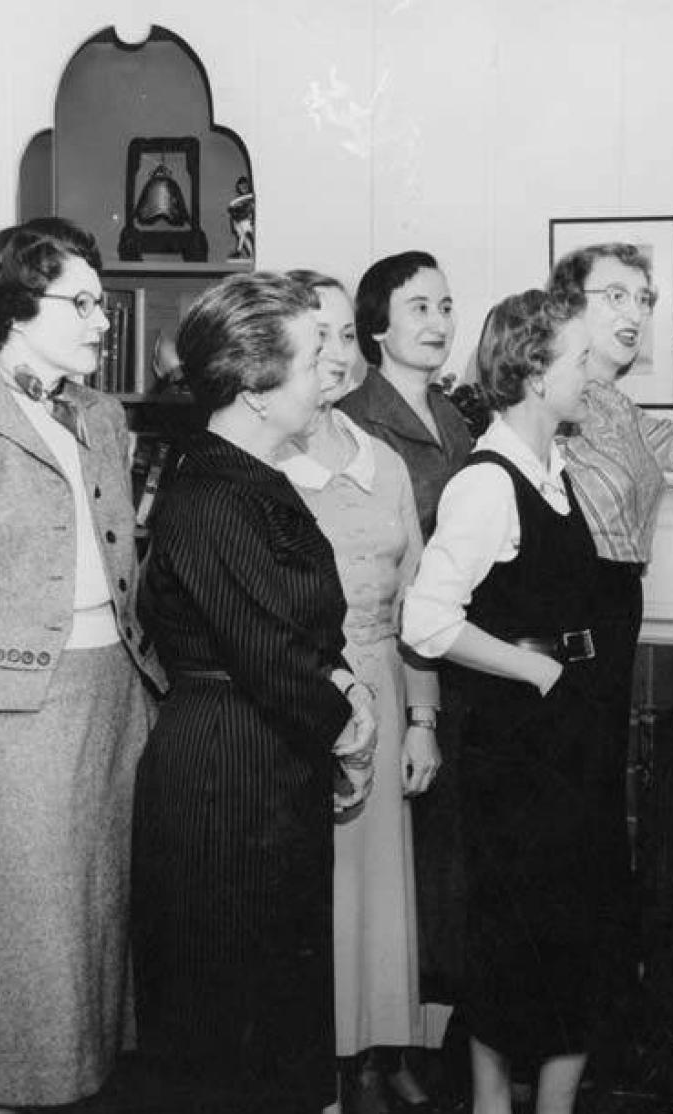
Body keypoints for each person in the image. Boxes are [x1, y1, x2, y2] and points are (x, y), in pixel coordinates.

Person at [132, 271, 375, 1114]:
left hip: (274, 762)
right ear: (258, 390)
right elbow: (268, 649)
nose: (330, 372)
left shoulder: (259, 478)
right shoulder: (210, 492)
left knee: (276, 1010)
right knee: (228, 1023)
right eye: (314, 358)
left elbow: (306, 626)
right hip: (223, 778)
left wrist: (344, 690)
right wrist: (351, 727)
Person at [0, 217, 165, 1112]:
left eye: (101, 303)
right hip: (17, 724)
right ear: (15, 307)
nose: (102, 322)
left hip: (118, 701)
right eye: (81, 303)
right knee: (23, 970)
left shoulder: (99, 415)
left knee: (97, 952)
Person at [401, 289, 631, 1114]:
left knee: (578, 931)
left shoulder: (554, 470)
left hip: (570, 736)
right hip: (519, 747)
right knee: (516, 938)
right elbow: (425, 619)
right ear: (535, 373)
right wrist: (534, 671)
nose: (590, 379)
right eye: (579, 362)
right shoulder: (487, 483)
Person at [282, 269, 450, 1112]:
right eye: (320, 335)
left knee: (382, 897)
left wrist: (421, 717)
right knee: (320, 902)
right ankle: (323, 1072)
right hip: (301, 702)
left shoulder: (381, 460)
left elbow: (418, 601)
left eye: (349, 334)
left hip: (383, 684)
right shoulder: (257, 457)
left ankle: (374, 1057)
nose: (339, 354)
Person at [544, 246, 673, 978]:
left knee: (591, 813)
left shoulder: (613, 403)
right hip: (569, 612)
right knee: (569, 816)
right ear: (565, 307)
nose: (634, 312)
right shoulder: (550, 398)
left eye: (643, 298)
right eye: (614, 295)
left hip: (616, 609)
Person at [339, 250, 474, 538]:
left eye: (446, 308)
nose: (440, 325)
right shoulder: (352, 420)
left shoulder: (448, 413)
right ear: (378, 326)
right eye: (421, 309)